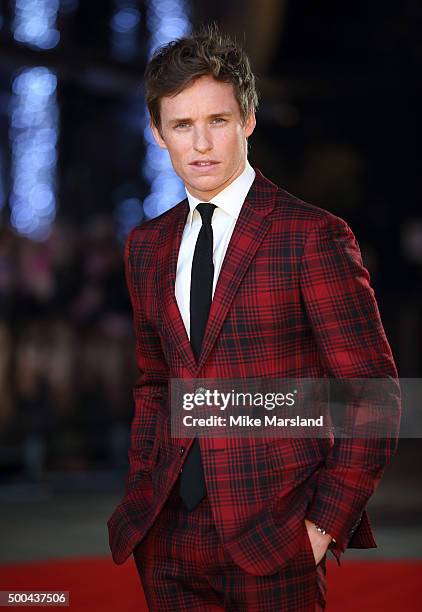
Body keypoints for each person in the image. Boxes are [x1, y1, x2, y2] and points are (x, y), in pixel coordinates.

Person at [107, 26, 400, 611]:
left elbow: (375, 397)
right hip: (165, 536)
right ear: (158, 134)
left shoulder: (312, 237)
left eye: (216, 120)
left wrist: (323, 524)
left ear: (248, 120)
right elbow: (154, 383)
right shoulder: (146, 246)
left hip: (275, 536)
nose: (200, 144)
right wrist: (144, 481)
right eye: (181, 125)